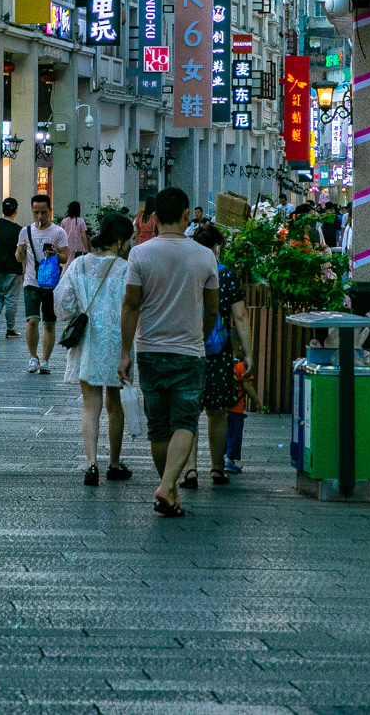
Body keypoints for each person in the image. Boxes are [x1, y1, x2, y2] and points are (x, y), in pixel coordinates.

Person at [120, 186, 219, 516]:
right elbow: (213, 309)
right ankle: (166, 486)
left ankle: (170, 488)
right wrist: (200, 337)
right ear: (185, 215)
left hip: (149, 349)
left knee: (159, 426)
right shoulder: (205, 256)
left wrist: (125, 353)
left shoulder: (140, 254)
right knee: (185, 422)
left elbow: (131, 305)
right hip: (189, 351)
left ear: (155, 218)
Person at [55, 209, 134, 486]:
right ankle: (114, 462)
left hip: (87, 340)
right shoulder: (126, 269)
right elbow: (134, 307)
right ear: (122, 240)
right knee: (115, 406)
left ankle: (91, 464)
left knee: (91, 406)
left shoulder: (80, 264)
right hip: (116, 343)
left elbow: (62, 304)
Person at [190, 223, 252, 487]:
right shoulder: (226, 275)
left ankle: (190, 470)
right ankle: (217, 467)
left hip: (188, 348)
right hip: (218, 352)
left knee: (189, 411)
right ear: (217, 246)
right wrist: (248, 354)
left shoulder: (186, 270)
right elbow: (240, 316)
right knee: (217, 412)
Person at [20, 193, 69, 374]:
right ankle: (33, 357)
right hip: (31, 282)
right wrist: (20, 251)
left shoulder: (58, 232)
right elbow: (19, 258)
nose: (39, 216)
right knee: (32, 321)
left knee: (49, 324)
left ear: (50, 211)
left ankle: (45, 360)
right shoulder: (25, 231)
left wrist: (56, 253)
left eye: (43, 212)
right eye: (35, 212)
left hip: (51, 284)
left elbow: (65, 257)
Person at [0, 197, 24, 338]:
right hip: (14, 269)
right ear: (16, 210)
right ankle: (10, 329)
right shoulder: (19, 230)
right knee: (11, 300)